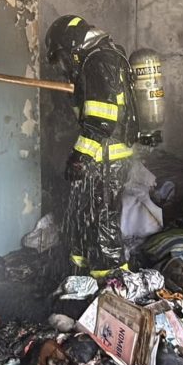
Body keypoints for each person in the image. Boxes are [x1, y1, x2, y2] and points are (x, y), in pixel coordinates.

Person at [44, 15, 137, 278]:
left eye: (63, 57)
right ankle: (81, 279)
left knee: (102, 226)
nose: (63, 65)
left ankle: (112, 288)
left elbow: (101, 120)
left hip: (106, 160)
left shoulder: (98, 61)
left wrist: (79, 157)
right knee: (85, 218)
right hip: (102, 157)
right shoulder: (103, 57)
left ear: (72, 47)